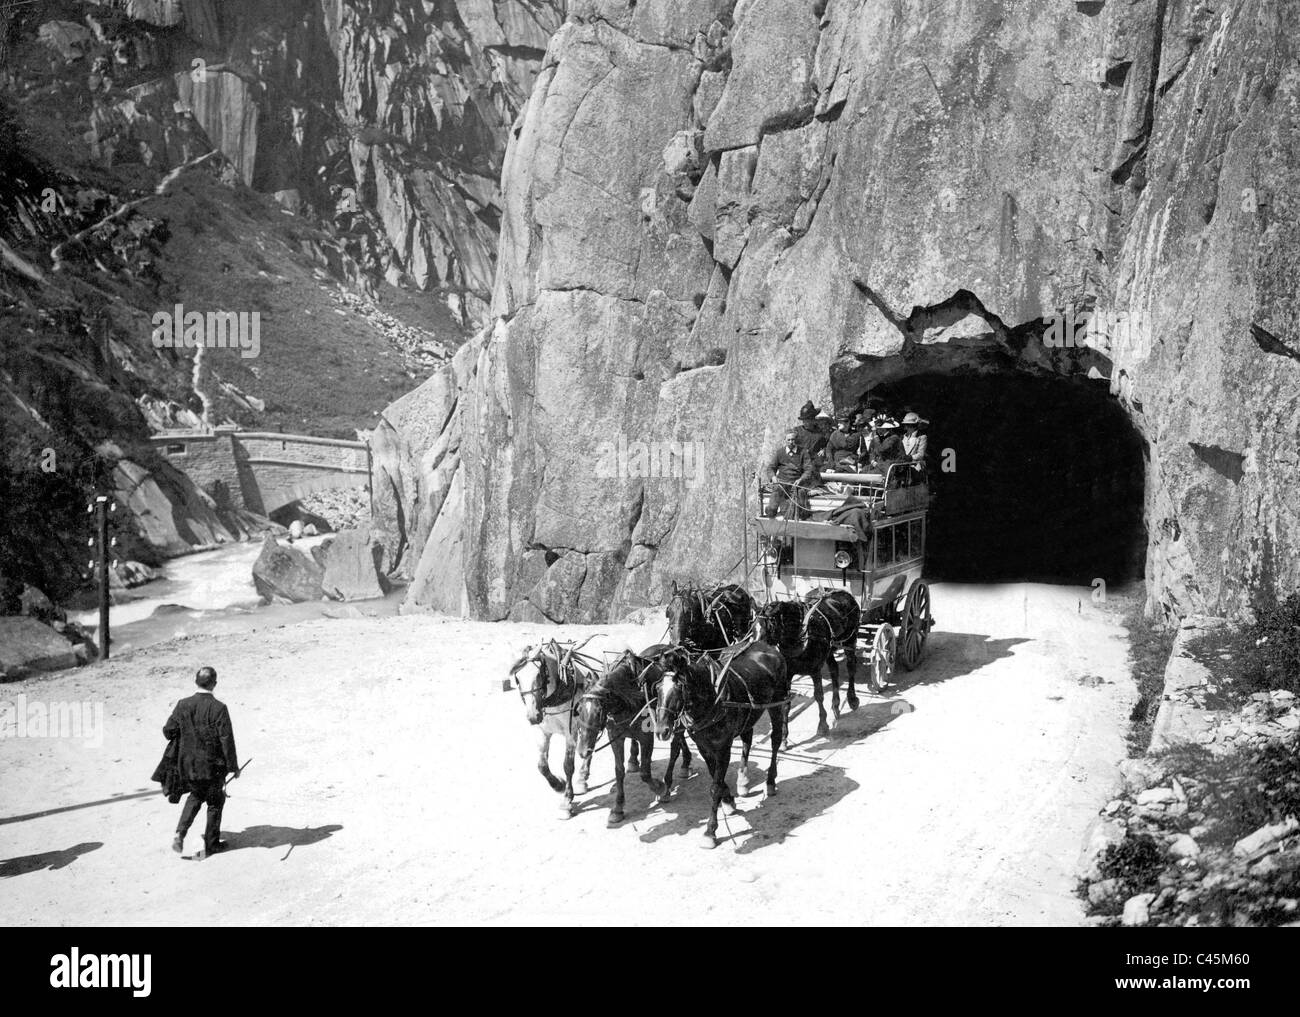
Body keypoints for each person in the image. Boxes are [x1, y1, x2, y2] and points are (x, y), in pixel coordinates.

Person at [163, 666, 240, 859]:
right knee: (215, 801)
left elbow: (168, 731)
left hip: (188, 765)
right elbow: (226, 740)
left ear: (196, 682)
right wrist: (233, 767)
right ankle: (212, 844)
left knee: (196, 795)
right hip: (212, 767)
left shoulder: (183, 704)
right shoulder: (219, 708)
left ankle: (180, 832)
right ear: (214, 684)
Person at [762, 429, 815, 519]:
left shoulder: (803, 452)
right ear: (785, 441)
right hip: (782, 483)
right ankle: (771, 512)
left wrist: (801, 479)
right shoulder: (780, 453)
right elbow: (771, 468)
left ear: (796, 440)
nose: (791, 442)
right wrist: (773, 477)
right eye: (788, 440)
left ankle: (792, 516)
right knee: (773, 504)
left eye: (793, 439)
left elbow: (808, 469)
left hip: (796, 484)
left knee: (797, 507)